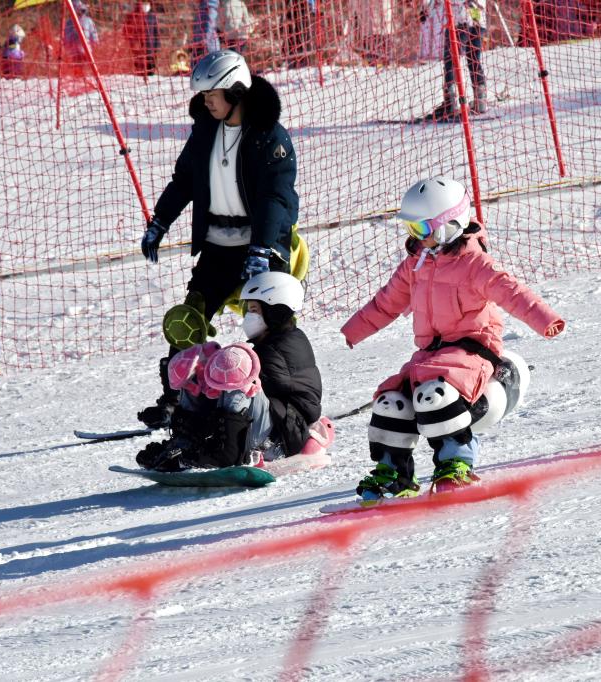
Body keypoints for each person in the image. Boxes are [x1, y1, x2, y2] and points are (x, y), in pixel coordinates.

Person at [341, 177, 565, 504]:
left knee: (436, 396)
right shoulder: (416, 264)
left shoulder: (475, 264)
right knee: (391, 399)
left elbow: (513, 292)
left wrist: (546, 321)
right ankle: (394, 470)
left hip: (473, 351)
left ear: (449, 226)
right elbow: (386, 302)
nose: (416, 238)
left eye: (421, 229)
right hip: (430, 355)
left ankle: (456, 460)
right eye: (411, 230)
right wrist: (353, 330)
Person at [138, 49, 299, 430]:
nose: (204, 101)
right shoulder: (206, 130)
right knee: (188, 320)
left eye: (212, 94)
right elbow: (184, 180)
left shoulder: (268, 138)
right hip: (217, 246)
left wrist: (263, 248)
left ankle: (281, 400)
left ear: (236, 91)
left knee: (268, 325)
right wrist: (160, 221)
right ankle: (176, 399)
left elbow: (276, 197)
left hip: (261, 247)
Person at [137, 271, 329, 471]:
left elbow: (271, 384)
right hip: (264, 425)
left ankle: (227, 453)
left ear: (276, 310)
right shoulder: (266, 342)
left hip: (282, 437)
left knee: (236, 372)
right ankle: (184, 444)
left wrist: (219, 368)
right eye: (248, 310)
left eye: (254, 309)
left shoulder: (288, 344)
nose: (248, 316)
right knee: (204, 372)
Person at [422, 0, 489, 119]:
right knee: (474, 58)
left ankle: (451, 103)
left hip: (461, 17)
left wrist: (426, 8)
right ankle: (481, 101)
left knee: (451, 59)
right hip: (477, 17)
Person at [122, 2, 161, 76]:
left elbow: (156, 31)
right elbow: (126, 30)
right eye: (144, 3)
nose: (146, 5)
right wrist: (132, 42)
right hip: (138, 48)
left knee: (150, 69)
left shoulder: (152, 16)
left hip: (150, 47)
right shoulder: (133, 15)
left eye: (147, 3)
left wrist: (157, 45)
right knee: (139, 69)